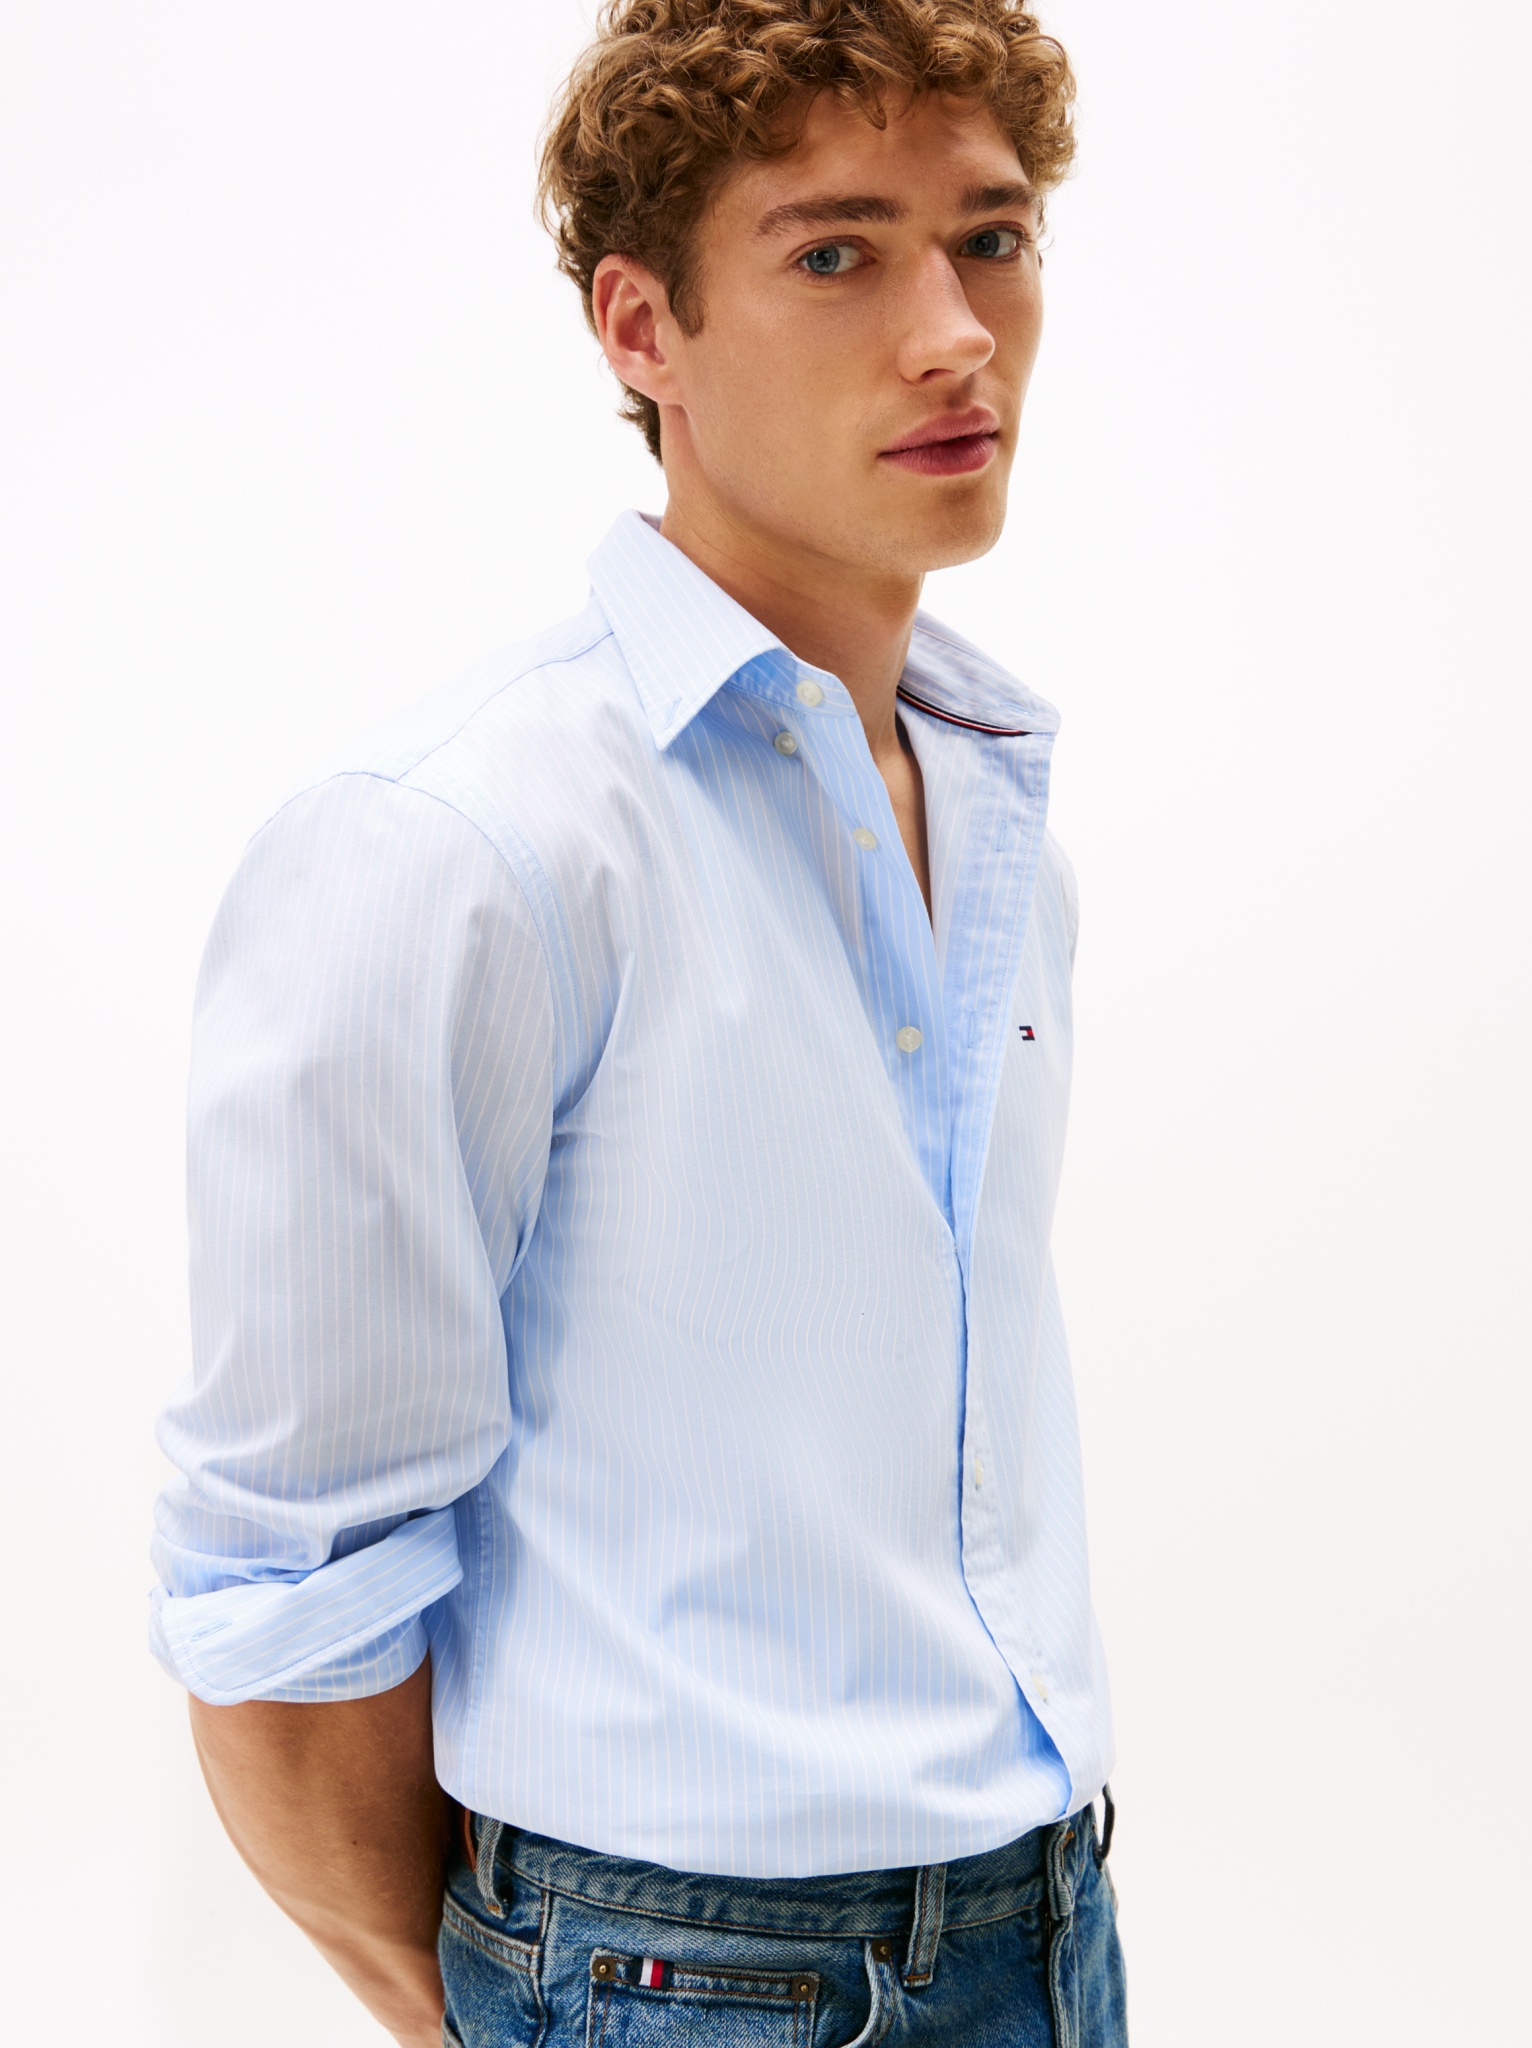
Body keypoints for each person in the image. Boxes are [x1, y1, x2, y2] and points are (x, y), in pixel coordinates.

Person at [149, 3, 1126, 2042]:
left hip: (1049, 1923)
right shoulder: (461, 843)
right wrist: (500, 2006)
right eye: (837, 252)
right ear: (641, 326)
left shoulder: (994, 807)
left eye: (993, 238)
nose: (956, 334)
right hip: (670, 1977)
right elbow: (283, 1591)